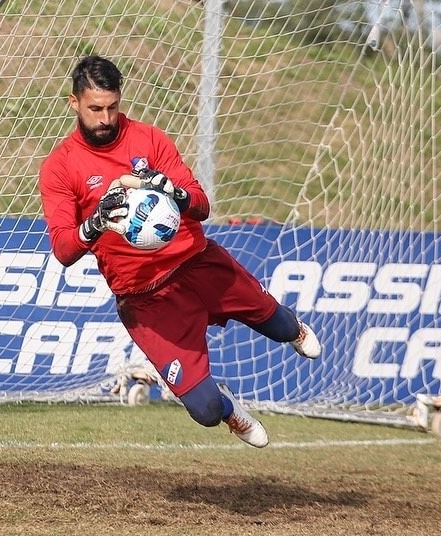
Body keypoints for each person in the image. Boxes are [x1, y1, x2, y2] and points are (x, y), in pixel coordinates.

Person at [38, 55, 321, 448]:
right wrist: (95, 223)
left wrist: (173, 192)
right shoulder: (60, 166)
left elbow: (202, 206)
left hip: (197, 263)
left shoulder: (149, 140)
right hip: (144, 298)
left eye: (112, 107)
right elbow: (64, 250)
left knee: (283, 328)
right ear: (74, 103)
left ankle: (295, 328)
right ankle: (231, 411)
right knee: (205, 410)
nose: (105, 119)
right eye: (95, 109)